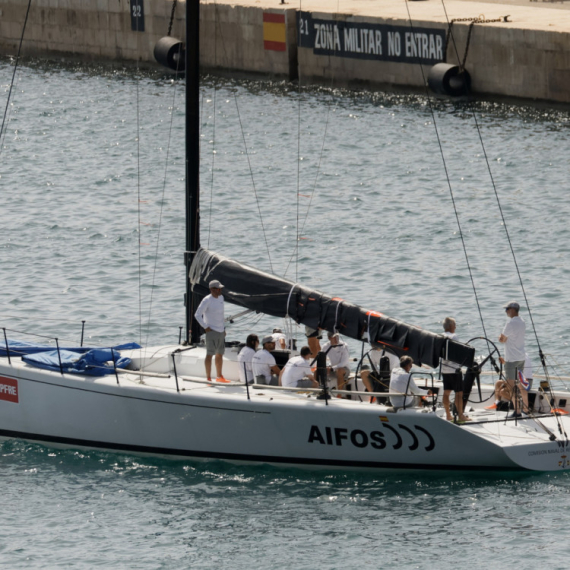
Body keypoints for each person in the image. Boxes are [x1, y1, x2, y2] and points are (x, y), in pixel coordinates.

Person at [498, 301, 528, 417]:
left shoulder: (510, 323)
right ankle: (525, 408)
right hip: (521, 357)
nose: (506, 311)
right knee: (521, 384)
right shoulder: (522, 322)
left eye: (507, 309)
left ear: (512, 310)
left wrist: (501, 338)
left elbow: (502, 339)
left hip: (511, 359)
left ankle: (517, 411)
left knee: (511, 386)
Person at [194, 279, 227, 382]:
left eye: (220, 288)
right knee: (210, 354)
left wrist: (224, 328)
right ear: (212, 289)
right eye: (218, 289)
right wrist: (205, 327)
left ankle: (219, 376)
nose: (220, 290)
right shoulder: (207, 300)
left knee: (220, 354)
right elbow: (197, 314)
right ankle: (208, 378)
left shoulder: (221, 297)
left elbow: (221, 315)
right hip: (211, 331)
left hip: (221, 331)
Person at [440, 317, 470, 422]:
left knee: (446, 392)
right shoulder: (454, 336)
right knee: (459, 393)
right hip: (454, 370)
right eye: (454, 324)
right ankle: (461, 415)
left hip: (444, 369)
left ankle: (448, 415)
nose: (456, 326)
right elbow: (458, 352)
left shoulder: (440, 336)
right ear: (451, 326)